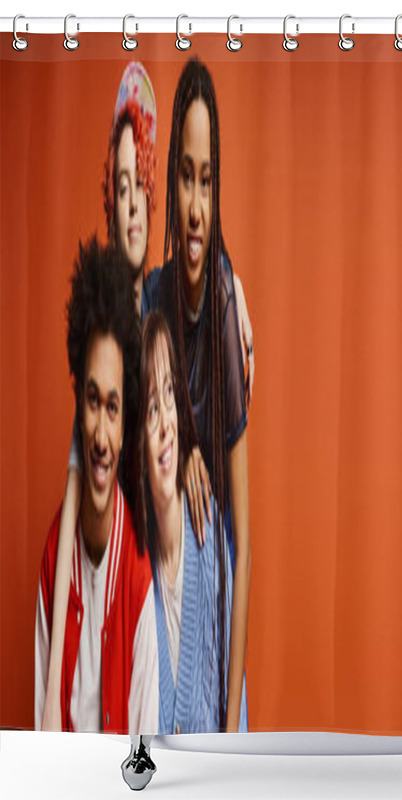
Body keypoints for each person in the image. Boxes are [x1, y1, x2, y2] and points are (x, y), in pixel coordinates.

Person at [41, 62, 256, 732]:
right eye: (124, 189)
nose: (137, 205)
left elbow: (241, 544)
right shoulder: (130, 314)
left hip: (194, 572)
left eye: (145, 188)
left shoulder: (200, 296)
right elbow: (89, 466)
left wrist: (236, 291)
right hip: (136, 596)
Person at [152, 57, 250, 732]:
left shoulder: (225, 306)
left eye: (207, 181)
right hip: (163, 610)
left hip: (212, 608)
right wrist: (181, 447)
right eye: (185, 178)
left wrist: (233, 713)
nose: (195, 206)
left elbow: (250, 544)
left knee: (206, 532)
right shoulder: (152, 298)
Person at [35, 237, 158, 734]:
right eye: (91, 401)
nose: (102, 437)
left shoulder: (138, 577)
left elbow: (148, 768)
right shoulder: (52, 563)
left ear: (125, 422)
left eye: (113, 406)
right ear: (77, 405)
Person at [137, 312, 246, 733]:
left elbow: (238, 718)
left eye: (169, 397)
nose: (166, 422)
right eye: (149, 409)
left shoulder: (210, 536)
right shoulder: (132, 562)